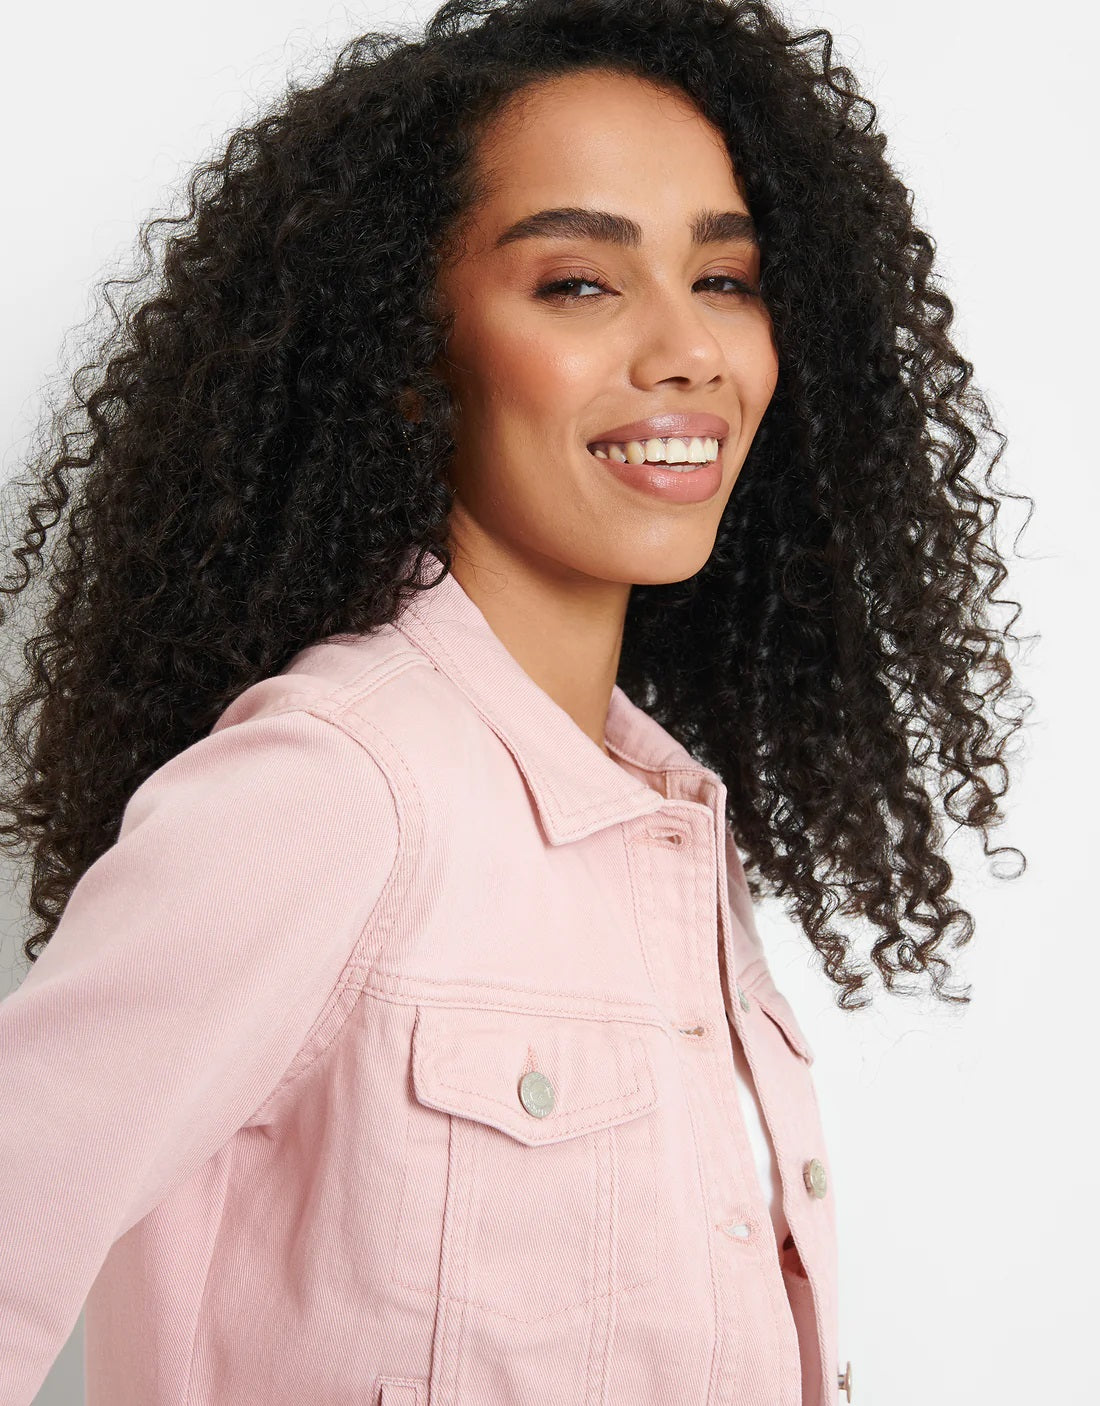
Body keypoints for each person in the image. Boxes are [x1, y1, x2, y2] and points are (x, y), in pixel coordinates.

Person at [0, 1, 1031, 1403]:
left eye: (725, 279)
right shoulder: (332, 787)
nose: (689, 349)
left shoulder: (669, 831)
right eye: (580, 284)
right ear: (409, 356)